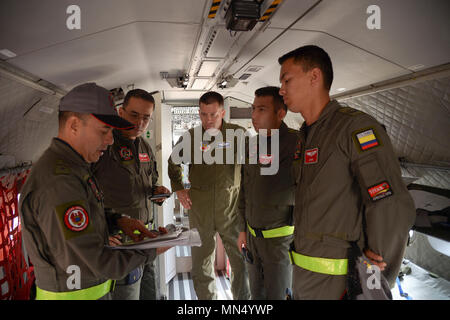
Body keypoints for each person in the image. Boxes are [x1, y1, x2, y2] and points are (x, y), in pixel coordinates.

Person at [278, 45, 416, 299]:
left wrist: (373, 272)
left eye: (287, 80)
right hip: (304, 277)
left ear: (314, 77)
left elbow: (390, 201)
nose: (281, 89)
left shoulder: (354, 128)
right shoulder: (306, 135)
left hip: (341, 284)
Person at [19, 83, 168, 300]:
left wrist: (117, 220)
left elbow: (88, 213)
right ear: (74, 125)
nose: (110, 140)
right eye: (104, 131)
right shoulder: (59, 181)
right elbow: (98, 259)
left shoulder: (75, 168)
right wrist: (153, 249)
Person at [168, 91, 250, 300]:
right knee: (201, 263)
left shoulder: (238, 135)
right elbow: (173, 163)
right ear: (199, 113)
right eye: (203, 114)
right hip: (200, 208)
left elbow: (253, 169)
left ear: (222, 112)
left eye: (213, 114)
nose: (208, 120)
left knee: (241, 262)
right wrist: (179, 188)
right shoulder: (191, 137)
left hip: (230, 208)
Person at [93, 89, 171, 300]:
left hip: (146, 236)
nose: (140, 122)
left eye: (146, 117)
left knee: (149, 293)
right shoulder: (105, 145)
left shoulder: (145, 146)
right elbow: (84, 191)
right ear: (121, 112)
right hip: (120, 241)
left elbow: (150, 182)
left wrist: (157, 192)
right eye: (134, 115)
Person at [236, 86, 300, 300]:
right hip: (253, 240)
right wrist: (242, 230)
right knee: (257, 297)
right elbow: (244, 189)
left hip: (280, 243)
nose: (254, 116)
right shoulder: (253, 144)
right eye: (253, 109)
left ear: (280, 113)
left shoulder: (296, 144)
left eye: (261, 109)